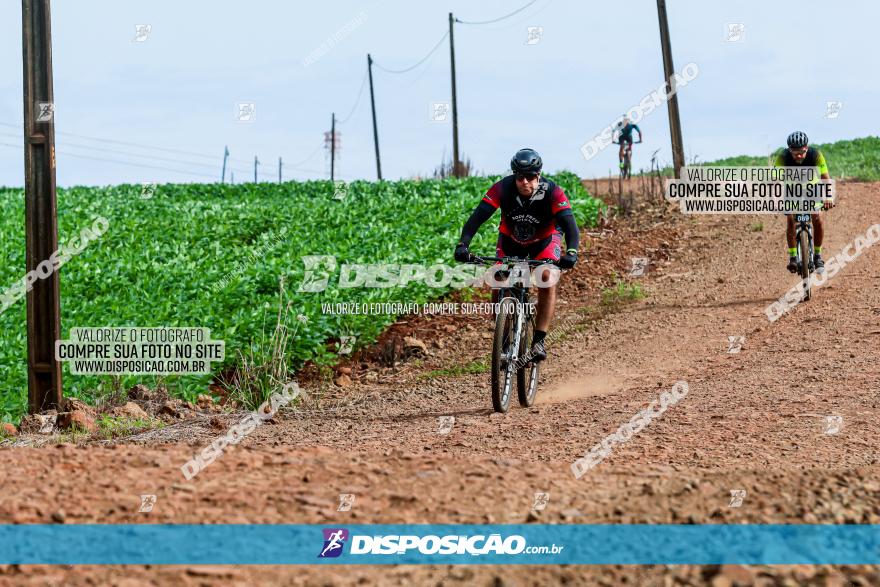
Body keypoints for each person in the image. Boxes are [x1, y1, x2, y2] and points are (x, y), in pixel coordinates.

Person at [453, 148, 580, 361]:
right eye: (520, 176)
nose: (525, 182)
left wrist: (572, 252)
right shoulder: (503, 188)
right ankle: (502, 335)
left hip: (544, 242)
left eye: (531, 177)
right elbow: (477, 218)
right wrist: (463, 245)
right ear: (514, 175)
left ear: (538, 176)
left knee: (547, 277)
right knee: (498, 278)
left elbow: (570, 225)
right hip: (511, 241)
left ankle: (538, 340)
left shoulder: (552, 191)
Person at [774, 131, 833, 274]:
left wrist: (829, 197)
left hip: (812, 190)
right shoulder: (783, 157)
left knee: (817, 217)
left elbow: (825, 177)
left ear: (806, 148)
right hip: (792, 191)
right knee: (790, 220)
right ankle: (793, 257)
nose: (799, 156)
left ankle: (818, 256)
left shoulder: (816, 155)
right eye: (795, 153)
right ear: (790, 150)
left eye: (801, 152)